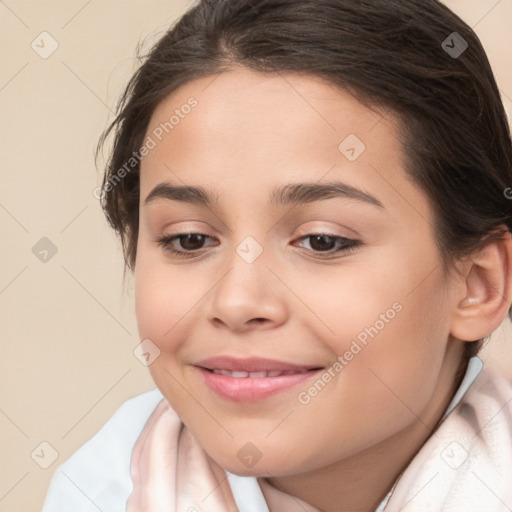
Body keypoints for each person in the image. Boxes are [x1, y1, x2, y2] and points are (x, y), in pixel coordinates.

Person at [42, 0, 512, 510]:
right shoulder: (101, 491)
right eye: (189, 239)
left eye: (322, 241)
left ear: (478, 284)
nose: (238, 302)